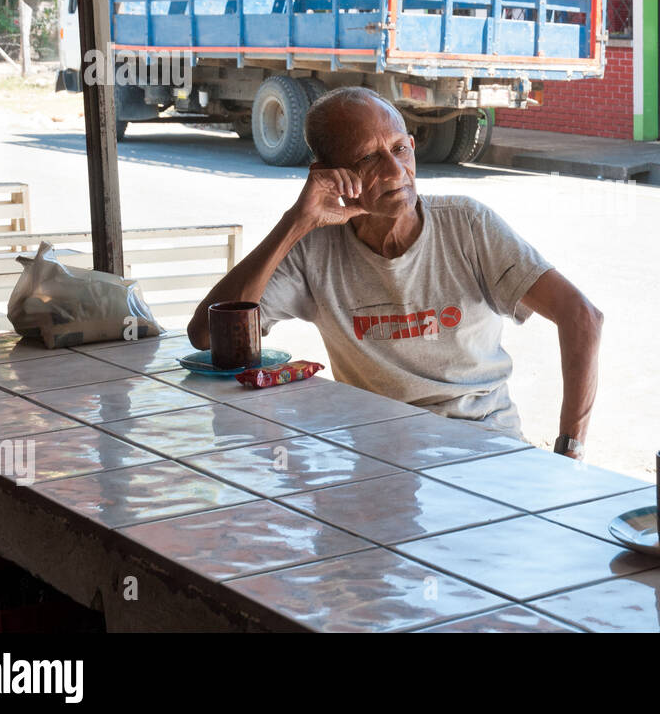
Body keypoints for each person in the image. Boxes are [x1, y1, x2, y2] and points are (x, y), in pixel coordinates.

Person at [187, 88, 602, 458]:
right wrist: (296, 221)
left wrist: (571, 450)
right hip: (380, 456)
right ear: (328, 173)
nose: (394, 171)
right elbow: (206, 336)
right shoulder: (314, 248)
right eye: (368, 158)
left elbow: (582, 316)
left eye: (400, 149)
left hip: (483, 445)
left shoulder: (467, 225)